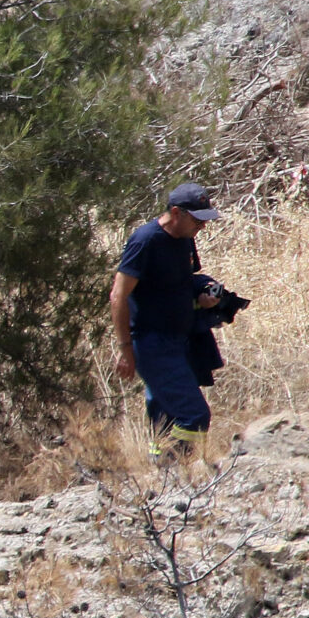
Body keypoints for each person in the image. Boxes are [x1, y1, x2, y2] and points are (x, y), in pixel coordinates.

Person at [111, 182, 224, 457]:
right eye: (197, 220)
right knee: (194, 416)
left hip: (179, 340)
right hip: (153, 343)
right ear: (176, 213)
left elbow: (182, 282)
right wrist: (126, 350)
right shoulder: (145, 241)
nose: (202, 227)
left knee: (166, 419)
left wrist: (204, 293)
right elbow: (118, 295)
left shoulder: (185, 238)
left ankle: (161, 479)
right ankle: (174, 471)